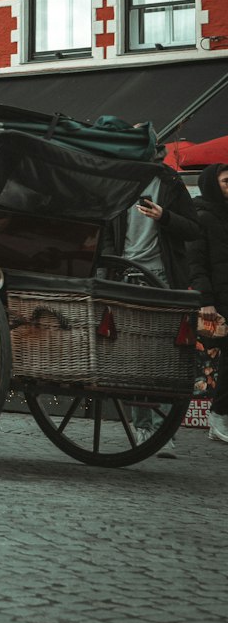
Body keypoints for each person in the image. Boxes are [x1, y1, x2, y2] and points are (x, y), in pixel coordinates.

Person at [102, 139, 202, 456]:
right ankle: (144, 424)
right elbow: (104, 229)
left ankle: (154, 426)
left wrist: (164, 217)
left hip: (161, 274)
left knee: (159, 351)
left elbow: (193, 229)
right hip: (124, 271)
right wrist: (106, 269)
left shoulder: (171, 183)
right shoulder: (119, 182)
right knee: (131, 351)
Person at [189, 162, 228, 445]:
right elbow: (196, 262)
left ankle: (219, 414)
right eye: (226, 182)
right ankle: (217, 415)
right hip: (216, 300)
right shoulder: (201, 214)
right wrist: (206, 301)